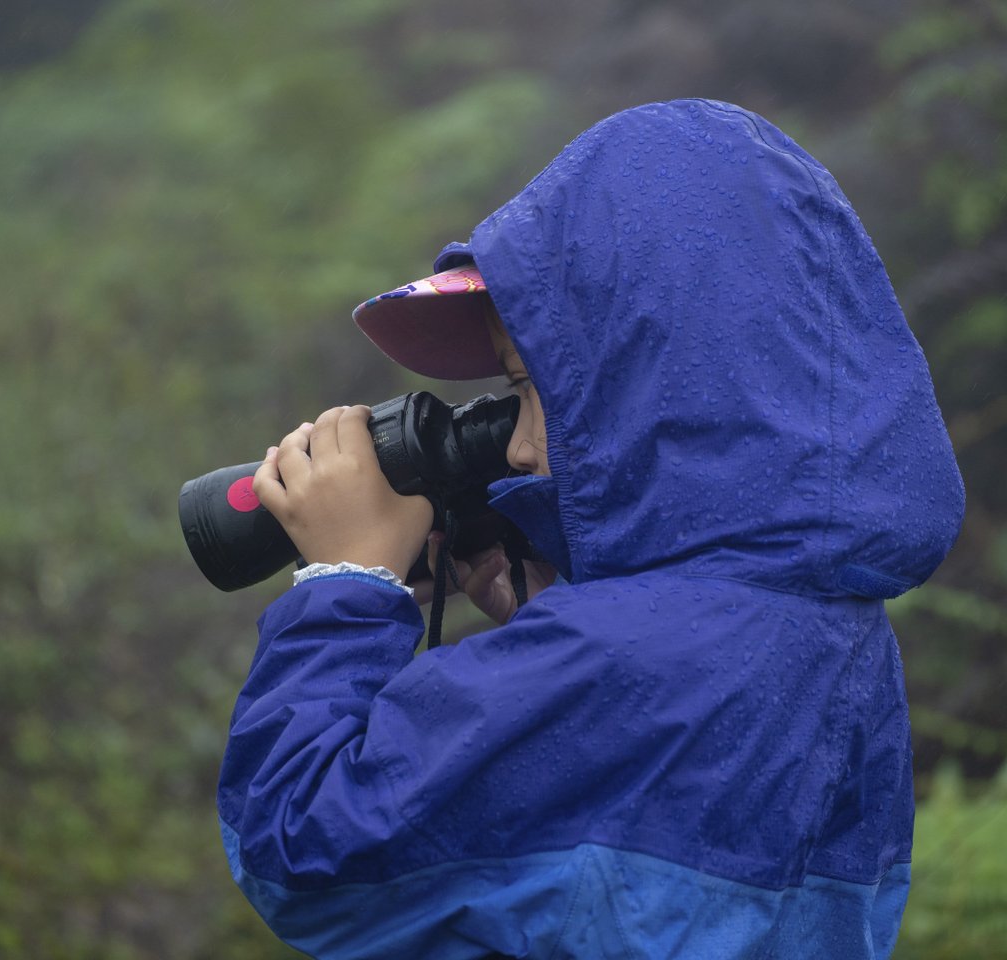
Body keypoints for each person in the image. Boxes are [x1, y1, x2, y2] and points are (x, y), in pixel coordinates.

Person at [216, 99, 964, 959]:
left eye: (533, 390)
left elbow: (302, 852)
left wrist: (345, 585)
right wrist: (553, 634)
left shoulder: (628, 661)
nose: (524, 447)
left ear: (671, 387)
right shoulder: (835, 637)